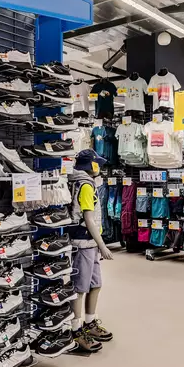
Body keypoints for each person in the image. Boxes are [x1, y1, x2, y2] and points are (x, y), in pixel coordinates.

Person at [69, 149, 114, 353]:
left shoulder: (87, 183)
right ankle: (76, 331)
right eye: (97, 164)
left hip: (90, 244)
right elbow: (88, 219)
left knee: (95, 284)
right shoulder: (85, 186)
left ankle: (89, 323)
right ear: (90, 165)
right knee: (80, 288)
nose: (99, 167)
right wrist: (102, 246)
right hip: (83, 242)